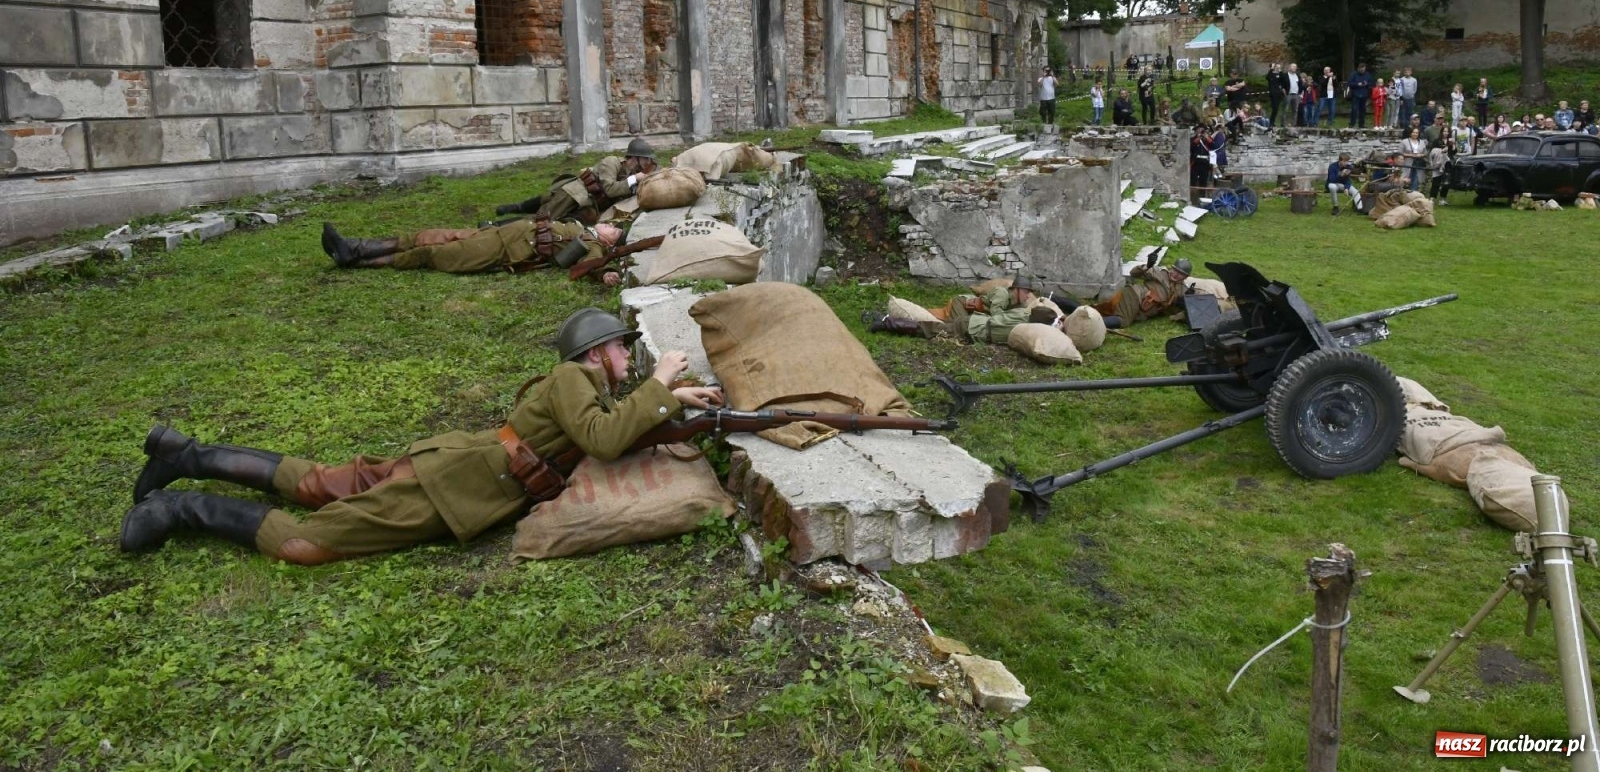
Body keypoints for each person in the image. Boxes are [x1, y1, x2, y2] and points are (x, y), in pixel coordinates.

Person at [119, 309, 725, 564]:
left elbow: (611, 426)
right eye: (621, 345)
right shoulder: (575, 376)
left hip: (453, 466)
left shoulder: (587, 387)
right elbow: (603, 439)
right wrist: (663, 382)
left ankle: (183, 453)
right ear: (596, 353)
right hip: (455, 484)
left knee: (315, 484)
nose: (627, 353)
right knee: (304, 543)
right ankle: (179, 509)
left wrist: (672, 399)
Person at [320, 219, 626, 283]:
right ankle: (354, 246)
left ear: (610, 241)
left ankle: (358, 260)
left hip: (504, 249)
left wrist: (606, 273)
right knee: (428, 233)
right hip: (496, 232)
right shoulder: (579, 225)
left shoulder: (594, 244)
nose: (609, 224)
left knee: (434, 253)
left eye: (614, 229)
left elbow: (592, 264)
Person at [495, 138, 659, 222]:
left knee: (548, 207)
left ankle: (515, 208)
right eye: (645, 159)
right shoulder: (612, 162)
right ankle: (496, 225)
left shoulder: (628, 173)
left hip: (584, 202)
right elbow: (609, 189)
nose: (646, 163)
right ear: (635, 157)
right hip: (573, 194)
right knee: (542, 220)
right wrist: (634, 179)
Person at [865, 276, 1057, 342]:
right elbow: (998, 318)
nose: (1027, 296)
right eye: (1026, 292)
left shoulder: (1018, 305)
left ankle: (888, 320)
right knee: (939, 328)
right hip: (964, 306)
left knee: (938, 325)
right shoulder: (1002, 295)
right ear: (1017, 289)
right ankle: (886, 321)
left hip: (973, 319)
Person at [1347, 63, 1374, 128]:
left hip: (1364, 94)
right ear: (1358, 69)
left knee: (1362, 110)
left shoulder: (1367, 75)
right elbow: (1350, 83)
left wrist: (1367, 84)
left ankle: (1361, 124)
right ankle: (1352, 124)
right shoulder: (1353, 74)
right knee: (1354, 109)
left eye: (1363, 69)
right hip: (1356, 94)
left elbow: (1372, 83)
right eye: (1361, 70)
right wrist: (1357, 84)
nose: (1362, 71)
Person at [1402, 125, 1428, 191]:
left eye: (1416, 133)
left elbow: (1425, 153)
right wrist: (1411, 155)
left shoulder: (1422, 142)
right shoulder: (1404, 141)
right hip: (1407, 162)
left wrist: (1421, 155)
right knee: (1406, 178)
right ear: (1410, 133)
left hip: (1418, 162)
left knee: (1416, 178)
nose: (1415, 134)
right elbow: (1400, 153)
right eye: (1413, 132)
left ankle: (1413, 192)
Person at [1190, 125, 1214, 190]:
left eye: (1202, 129)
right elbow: (1191, 148)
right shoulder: (1192, 139)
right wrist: (1197, 139)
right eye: (1199, 129)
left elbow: (1213, 146)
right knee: (1193, 180)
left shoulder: (1207, 139)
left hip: (1205, 162)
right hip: (1195, 162)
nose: (1200, 131)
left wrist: (1207, 138)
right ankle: (1193, 195)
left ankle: (1202, 195)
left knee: (1203, 180)